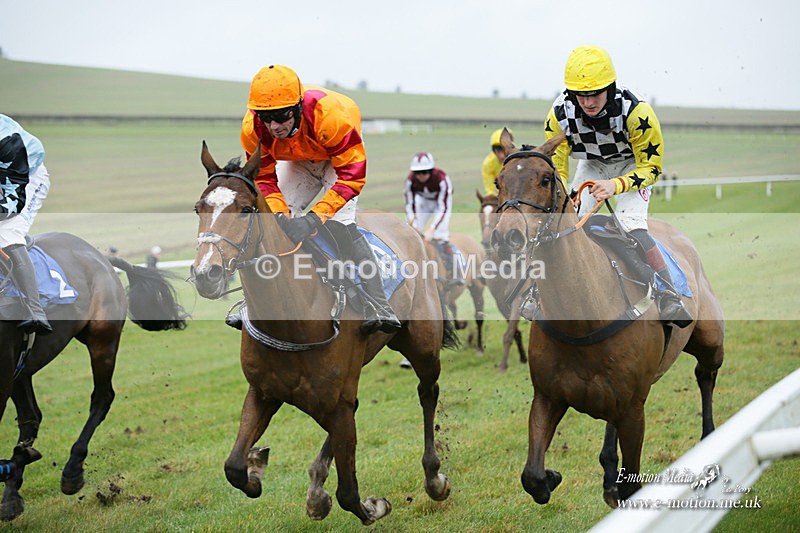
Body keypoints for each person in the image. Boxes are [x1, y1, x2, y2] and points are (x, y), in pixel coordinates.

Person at [238, 64, 400, 334]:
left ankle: (379, 305)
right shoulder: (252, 128)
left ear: (299, 107)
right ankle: (254, 302)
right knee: (270, 223)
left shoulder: (330, 117)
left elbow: (352, 177)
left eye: (281, 116)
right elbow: (264, 178)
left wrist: (314, 218)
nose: (274, 126)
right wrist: (280, 215)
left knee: (341, 225)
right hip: (298, 161)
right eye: (266, 117)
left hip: (337, 163)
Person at [543, 45, 692, 328]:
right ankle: (542, 294)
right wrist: (568, 196)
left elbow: (652, 168)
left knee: (629, 224)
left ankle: (668, 295)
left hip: (632, 165)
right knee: (565, 223)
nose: (587, 102)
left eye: (595, 93)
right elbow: (558, 169)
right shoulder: (559, 115)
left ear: (610, 87)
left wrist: (616, 185)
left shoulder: (637, 112)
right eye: (581, 94)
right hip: (592, 164)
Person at [0, 114, 52, 335]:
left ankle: (35, 311)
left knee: (7, 231)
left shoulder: (9, 142)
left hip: (25, 179)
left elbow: (13, 200)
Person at [403, 152, 461, 286]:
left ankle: (454, 270)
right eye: (417, 173)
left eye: (425, 172)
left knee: (440, 235)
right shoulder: (410, 181)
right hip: (422, 202)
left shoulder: (442, 179)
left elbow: (444, 208)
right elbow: (409, 204)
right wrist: (414, 223)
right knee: (412, 234)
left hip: (440, 204)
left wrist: (432, 229)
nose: (421, 176)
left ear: (431, 170)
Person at [481, 128, 514, 196]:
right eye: (498, 151)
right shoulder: (488, 164)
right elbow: (490, 190)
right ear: (493, 151)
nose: (502, 156)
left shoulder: (518, 159)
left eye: (504, 150)